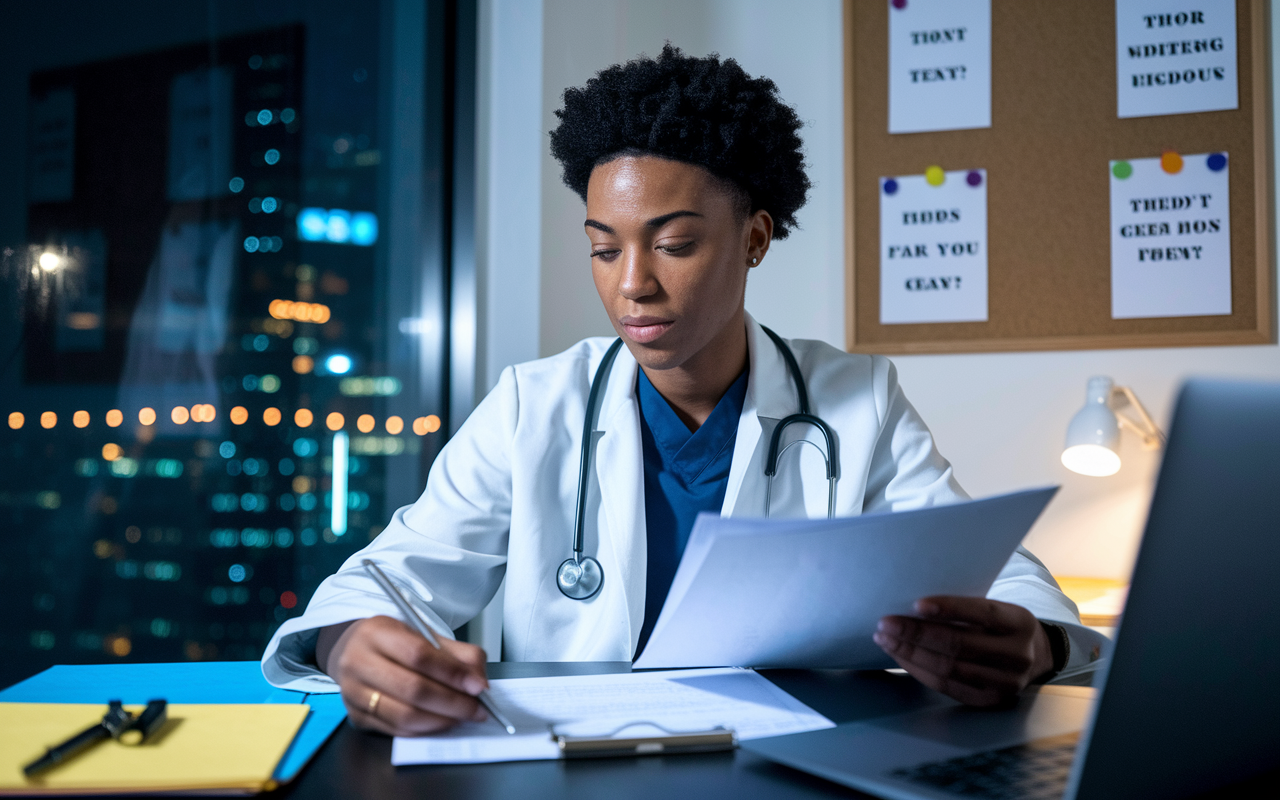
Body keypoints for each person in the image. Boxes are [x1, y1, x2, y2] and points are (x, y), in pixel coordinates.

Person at [262, 45, 1105, 736]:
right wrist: (349, 648)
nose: (634, 285)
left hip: (787, 762)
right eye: (604, 248)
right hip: (572, 770)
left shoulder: (857, 397)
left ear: (756, 239)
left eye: (674, 243)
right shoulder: (534, 404)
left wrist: (1034, 644)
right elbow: (390, 577)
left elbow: (999, 573)